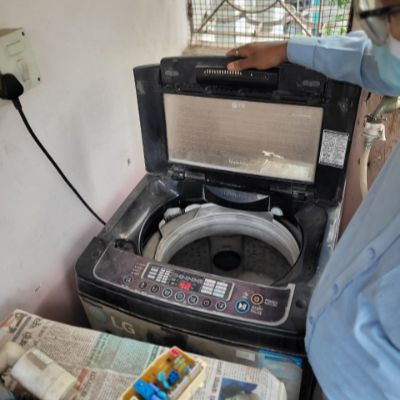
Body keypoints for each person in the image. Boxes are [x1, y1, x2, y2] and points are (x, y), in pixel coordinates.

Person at [227, 1, 400, 399]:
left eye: (388, 17)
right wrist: (288, 50)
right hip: (334, 369)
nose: (381, 38)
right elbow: (376, 61)